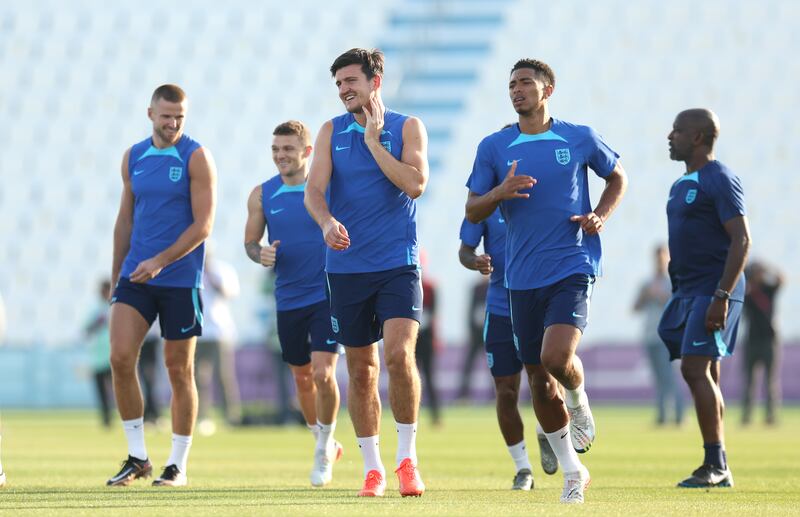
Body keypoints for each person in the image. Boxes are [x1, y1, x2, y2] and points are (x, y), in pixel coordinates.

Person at [465, 58, 628, 503]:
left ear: (547, 89)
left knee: (556, 357)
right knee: (537, 379)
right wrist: (499, 191)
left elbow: (617, 177)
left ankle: (578, 401)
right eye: (511, 84)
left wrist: (600, 215)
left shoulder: (578, 137)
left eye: (525, 83)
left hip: (572, 264)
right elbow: (473, 210)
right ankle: (574, 471)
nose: (516, 90)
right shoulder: (494, 146)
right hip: (518, 278)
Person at [304, 48, 429, 497]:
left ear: (375, 82)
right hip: (346, 269)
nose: (343, 90)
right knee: (361, 370)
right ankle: (373, 468)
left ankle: (407, 461)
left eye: (351, 81)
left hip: (397, 264)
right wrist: (326, 222)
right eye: (338, 84)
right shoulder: (329, 132)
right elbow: (314, 192)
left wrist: (374, 142)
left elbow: (416, 183)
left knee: (398, 355)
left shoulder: (407, 126)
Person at [107, 84, 217, 487]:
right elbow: (125, 220)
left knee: (178, 370)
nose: (172, 124)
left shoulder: (196, 156)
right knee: (120, 357)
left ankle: (177, 464)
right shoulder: (133, 156)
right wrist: (118, 272)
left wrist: (161, 261)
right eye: (166, 116)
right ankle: (138, 456)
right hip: (136, 276)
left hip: (179, 279)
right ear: (150, 113)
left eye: (179, 117)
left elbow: (203, 225)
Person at [244, 120, 343, 487]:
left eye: (287, 149)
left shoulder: (327, 191)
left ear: (307, 152)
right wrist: (262, 254)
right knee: (301, 378)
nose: (280, 156)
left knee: (323, 373)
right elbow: (251, 244)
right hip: (287, 300)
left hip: (328, 297)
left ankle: (323, 449)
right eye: (275, 149)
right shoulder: (261, 194)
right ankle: (323, 440)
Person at [658, 108, 750, 488]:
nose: (670, 135)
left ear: (697, 138)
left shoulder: (719, 178)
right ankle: (719, 464)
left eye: (677, 130)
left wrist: (722, 295)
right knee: (706, 371)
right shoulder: (681, 184)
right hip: (688, 289)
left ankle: (716, 463)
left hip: (714, 289)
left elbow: (741, 239)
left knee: (694, 369)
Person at [459, 207, 560, 491]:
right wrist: (475, 260)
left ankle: (546, 431)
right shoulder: (484, 203)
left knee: (544, 382)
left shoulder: (541, 194)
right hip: (501, 310)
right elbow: (464, 251)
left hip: (536, 306)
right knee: (505, 391)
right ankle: (522, 468)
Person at [633, 245, 684, 426]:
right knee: (658, 379)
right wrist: (645, 295)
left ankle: (679, 416)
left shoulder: (672, 281)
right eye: (656, 258)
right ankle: (662, 416)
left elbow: (677, 306)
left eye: (662, 258)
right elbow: (635, 308)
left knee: (669, 377)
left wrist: (660, 295)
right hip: (650, 335)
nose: (659, 262)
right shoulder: (647, 282)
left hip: (666, 336)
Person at [195, 249, 243, 434]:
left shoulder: (222, 270)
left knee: (224, 376)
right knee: (198, 378)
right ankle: (202, 417)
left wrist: (210, 274)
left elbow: (228, 293)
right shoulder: (192, 269)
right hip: (198, 331)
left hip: (219, 331)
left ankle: (231, 416)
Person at [741, 260, 783, 425]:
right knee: (749, 381)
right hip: (752, 340)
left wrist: (768, 268)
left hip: (769, 340)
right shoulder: (748, 294)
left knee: (770, 381)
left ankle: (771, 415)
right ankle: (747, 415)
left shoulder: (768, 289)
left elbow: (781, 279)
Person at [415, 249, 441, 427]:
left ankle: (435, 416)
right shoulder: (406, 287)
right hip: (411, 340)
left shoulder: (431, 287)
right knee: (410, 377)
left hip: (426, 339)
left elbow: (435, 315)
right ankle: (411, 416)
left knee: (430, 379)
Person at [85, 279, 115, 428]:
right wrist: (97, 323)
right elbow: (86, 329)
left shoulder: (117, 306)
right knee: (101, 391)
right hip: (98, 357)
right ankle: (106, 419)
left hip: (114, 355)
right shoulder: (95, 309)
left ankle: (126, 418)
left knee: (118, 390)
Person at [456, 276, 488, 401]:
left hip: (489, 331)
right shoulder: (476, 288)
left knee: (493, 364)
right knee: (469, 364)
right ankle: (463, 394)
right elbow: (470, 310)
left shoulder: (493, 287)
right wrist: (470, 330)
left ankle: (494, 394)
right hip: (476, 333)